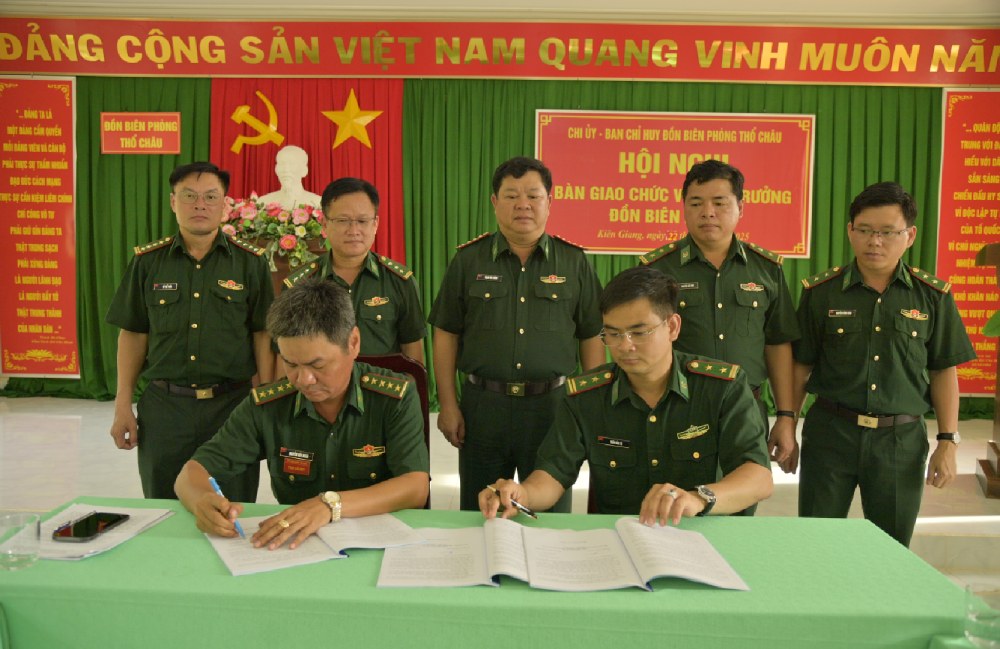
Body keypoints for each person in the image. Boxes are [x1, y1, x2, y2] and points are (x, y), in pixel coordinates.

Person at [480, 266, 773, 524]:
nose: (625, 346)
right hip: (623, 541)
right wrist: (523, 493)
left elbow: (758, 477)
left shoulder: (722, 387)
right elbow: (554, 474)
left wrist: (698, 498)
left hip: (707, 535)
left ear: (672, 326)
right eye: (613, 334)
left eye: (639, 332)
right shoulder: (587, 397)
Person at [175, 278, 430, 550]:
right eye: (290, 364)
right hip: (298, 548)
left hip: (378, 544)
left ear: (353, 343)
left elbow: (415, 486)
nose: (304, 379)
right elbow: (191, 473)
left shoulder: (392, 397)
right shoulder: (268, 405)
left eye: (317, 364)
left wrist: (330, 506)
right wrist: (201, 501)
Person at [792, 182, 976, 546]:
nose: (875, 242)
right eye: (865, 231)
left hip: (899, 440)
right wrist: (786, 422)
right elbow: (801, 366)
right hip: (831, 434)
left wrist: (948, 441)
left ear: (909, 236)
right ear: (850, 231)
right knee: (815, 542)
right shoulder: (821, 293)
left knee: (892, 547)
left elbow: (943, 370)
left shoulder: (933, 296)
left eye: (888, 232)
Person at [429, 156, 605, 511]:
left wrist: (591, 408)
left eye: (532, 195)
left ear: (549, 201)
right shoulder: (468, 261)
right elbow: (446, 332)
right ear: (495, 203)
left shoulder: (574, 262)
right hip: (483, 408)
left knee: (549, 512)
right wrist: (448, 404)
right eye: (511, 196)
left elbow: (591, 336)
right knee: (481, 511)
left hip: (552, 409)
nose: (522, 204)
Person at [106, 161, 274, 501]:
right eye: (190, 196)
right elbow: (134, 334)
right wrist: (123, 404)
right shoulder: (147, 263)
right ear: (173, 202)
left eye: (211, 196)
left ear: (224, 204)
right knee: (164, 508)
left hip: (232, 408)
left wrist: (266, 401)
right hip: (165, 409)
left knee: (232, 506)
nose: (200, 205)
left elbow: (263, 335)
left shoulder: (250, 263)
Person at [639, 160, 801, 476]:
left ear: (741, 207)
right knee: (680, 504)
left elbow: (778, 343)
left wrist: (785, 416)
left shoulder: (766, 270)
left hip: (747, 407)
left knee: (743, 498)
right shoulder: (657, 270)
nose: (708, 212)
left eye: (720, 202)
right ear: (683, 207)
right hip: (680, 406)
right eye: (696, 203)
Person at [285, 177, 425, 362]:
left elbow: (413, 355)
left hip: (382, 388)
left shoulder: (399, 281)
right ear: (325, 224)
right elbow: (286, 355)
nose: (354, 230)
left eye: (362, 220)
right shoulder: (299, 285)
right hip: (321, 389)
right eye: (343, 220)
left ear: (375, 224)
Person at [259, 145, 323, 209]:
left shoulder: (317, 203)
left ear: (304, 170)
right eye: (282, 164)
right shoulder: (263, 202)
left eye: (292, 164)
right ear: (276, 169)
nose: (286, 170)